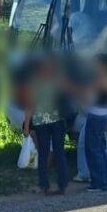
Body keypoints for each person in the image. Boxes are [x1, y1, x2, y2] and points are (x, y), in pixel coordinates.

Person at [23, 57, 68, 195]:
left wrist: (26, 125)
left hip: (41, 122)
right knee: (59, 152)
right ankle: (62, 185)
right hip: (57, 120)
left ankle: (44, 185)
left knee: (43, 153)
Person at [84, 56, 107, 192]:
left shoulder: (102, 79)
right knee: (100, 148)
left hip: (96, 115)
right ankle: (102, 180)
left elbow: (89, 93)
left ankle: (98, 182)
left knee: (93, 149)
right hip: (101, 115)